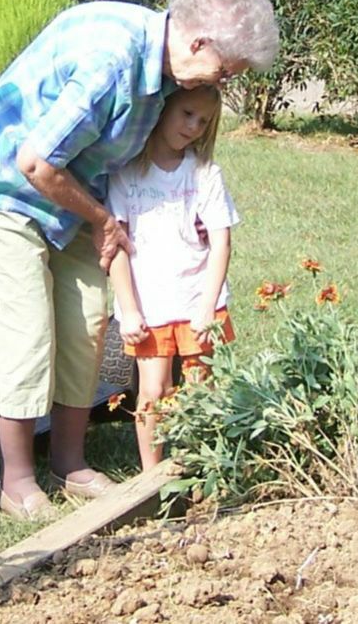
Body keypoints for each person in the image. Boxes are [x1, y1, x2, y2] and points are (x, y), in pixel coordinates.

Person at [0, 0, 279, 520]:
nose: (220, 83)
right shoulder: (114, 63)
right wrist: (105, 221)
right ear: (198, 41)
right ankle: (17, 482)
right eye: (224, 70)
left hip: (74, 195)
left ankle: (69, 462)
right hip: (5, 186)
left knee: (85, 324)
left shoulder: (169, 73)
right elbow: (35, 161)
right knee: (25, 332)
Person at [108, 84, 238, 470]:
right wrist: (128, 311)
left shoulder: (205, 173)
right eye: (187, 114)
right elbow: (115, 245)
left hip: (198, 298)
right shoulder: (126, 174)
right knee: (153, 390)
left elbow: (221, 242)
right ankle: (152, 475)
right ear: (162, 109)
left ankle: (199, 467)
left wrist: (207, 306)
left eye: (203, 121)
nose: (194, 126)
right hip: (150, 303)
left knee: (201, 388)